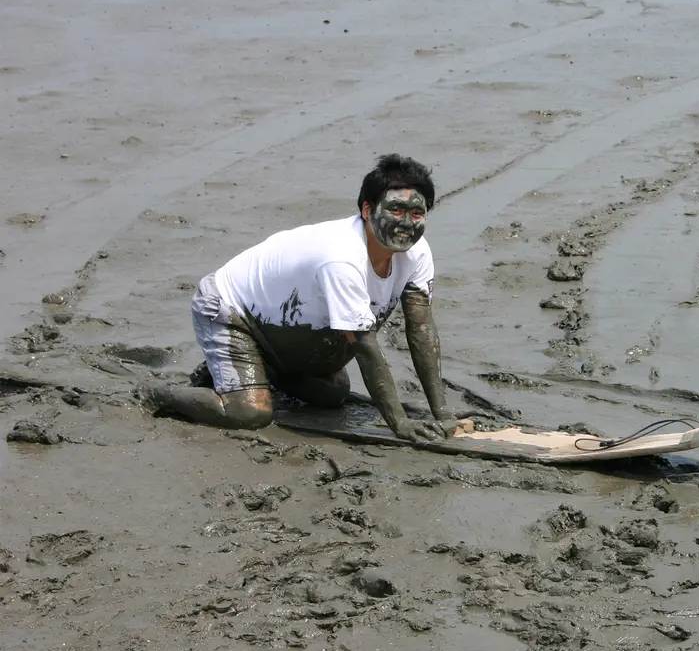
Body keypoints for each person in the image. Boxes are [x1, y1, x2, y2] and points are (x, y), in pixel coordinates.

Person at [143, 154, 461, 443]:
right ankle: (159, 394)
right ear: (367, 210)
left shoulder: (417, 253)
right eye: (396, 210)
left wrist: (443, 414)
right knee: (250, 413)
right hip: (230, 311)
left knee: (333, 393)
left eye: (417, 213)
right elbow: (364, 346)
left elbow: (421, 329)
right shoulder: (341, 258)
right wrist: (400, 424)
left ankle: (258, 368)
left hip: (280, 324)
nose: (406, 223)